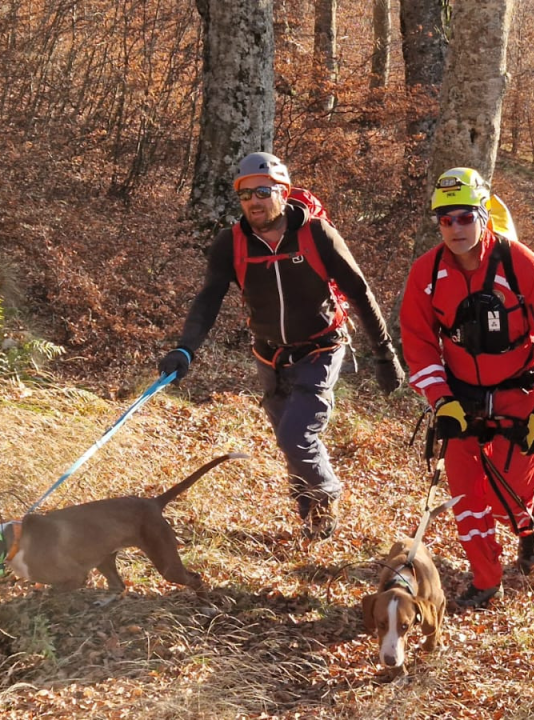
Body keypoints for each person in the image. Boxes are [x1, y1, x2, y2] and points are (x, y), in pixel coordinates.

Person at [159, 152, 404, 540]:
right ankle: (309, 516)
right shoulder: (232, 243)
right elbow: (208, 299)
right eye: (244, 195)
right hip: (269, 354)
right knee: (288, 439)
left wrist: (384, 355)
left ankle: (326, 502)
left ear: (283, 192)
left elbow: (359, 291)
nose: (253, 202)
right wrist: (185, 349)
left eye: (262, 191)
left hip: (321, 348)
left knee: (296, 435)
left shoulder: (316, 234)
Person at [400, 167, 534, 609]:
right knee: (466, 496)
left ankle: (529, 526)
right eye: (445, 220)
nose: (455, 228)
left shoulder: (521, 264)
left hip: (519, 393)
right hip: (461, 399)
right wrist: (441, 400)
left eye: (464, 217)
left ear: (483, 215)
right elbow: (418, 341)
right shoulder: (427, 271)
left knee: (511, 494)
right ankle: (485, 578)